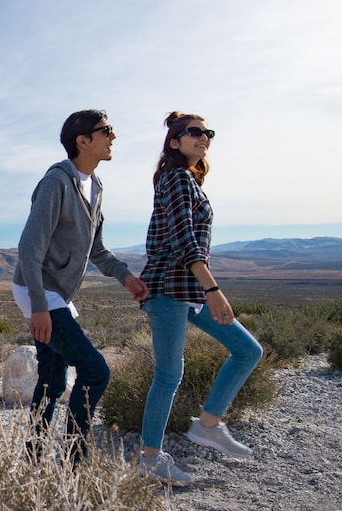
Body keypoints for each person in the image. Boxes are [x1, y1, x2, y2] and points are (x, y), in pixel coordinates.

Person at [12, 109, 149, 464]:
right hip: (37, 288)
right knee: (94, 370)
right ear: (82, 141)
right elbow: (30, 247)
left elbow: (97, 249)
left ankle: (33, 457)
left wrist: (125, 277)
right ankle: (75, 461)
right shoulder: (57, 182)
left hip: (55, 293)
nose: (113, 137)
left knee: (52, 382)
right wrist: (39, 307)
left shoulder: (96, 187)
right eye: (106, 131)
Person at [137, 111, 264, 486]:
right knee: (169, 375)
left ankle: (209, 423)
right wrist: (214, 290)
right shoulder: (175, 178)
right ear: (174, 141)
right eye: (194, 132)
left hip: (188, 292)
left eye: (207, 132)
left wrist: (203, 292)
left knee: (247, 350)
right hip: (167, 291)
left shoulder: (189, 181)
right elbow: (185, 240)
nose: (204, 137)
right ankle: (149, 457)